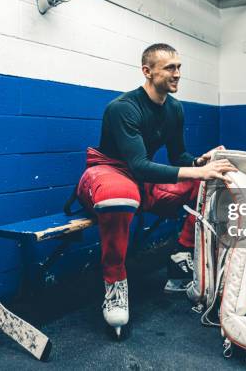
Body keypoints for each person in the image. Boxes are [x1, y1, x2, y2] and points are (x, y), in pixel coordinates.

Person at [76, 43, 237, 337]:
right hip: (108, 172)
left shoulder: (175, 109)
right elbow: (138, 164)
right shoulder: (123, 108)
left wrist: (201, 162)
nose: (178, 74)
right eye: (170, 68)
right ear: (147, 72)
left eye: (179, 67)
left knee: (208, 182)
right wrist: (196, 169)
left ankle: (180, 256)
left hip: (141, 181)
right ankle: (115, 284)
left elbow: (179, 158)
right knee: (118, 193)